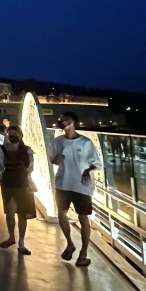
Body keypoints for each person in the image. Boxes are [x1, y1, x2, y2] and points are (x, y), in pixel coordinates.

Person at [49, 111, 103, 267]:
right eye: (61, 121)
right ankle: (70, 243)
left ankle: (83, 253)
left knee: (83, 218)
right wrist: (56, 159)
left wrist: (87, 170)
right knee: (61, 214)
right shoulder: (57, 141)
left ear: (73, 122)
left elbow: (97, 163)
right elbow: (53, 160)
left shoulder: (85, 142)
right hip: (62, 183)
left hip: (82, 186)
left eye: (65, 121)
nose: (63, 123)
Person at [0, 125, 35, 255]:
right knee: (13, 213)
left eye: (14, 135)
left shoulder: (1, 150)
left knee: (18, 213)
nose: (11, 137)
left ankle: (18, 240)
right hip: (17, 182)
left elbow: (0, 166)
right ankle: (16, 240)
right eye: (10, 135)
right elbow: (30, 168)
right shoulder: (27, 151)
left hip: (13, 182)